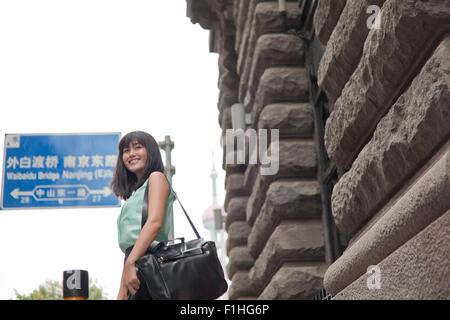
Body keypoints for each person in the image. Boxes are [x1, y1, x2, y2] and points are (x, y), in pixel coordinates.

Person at [111, 130, 175, 300]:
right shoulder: (134, 195)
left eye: (137, 147)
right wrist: (121, 291)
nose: (131, 154)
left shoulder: (157, 178)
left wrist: (131, 262)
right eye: (126, 151)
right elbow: (131, 246)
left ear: (151, 152)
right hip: (135, 261)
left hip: (149, 262)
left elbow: (154, 222)